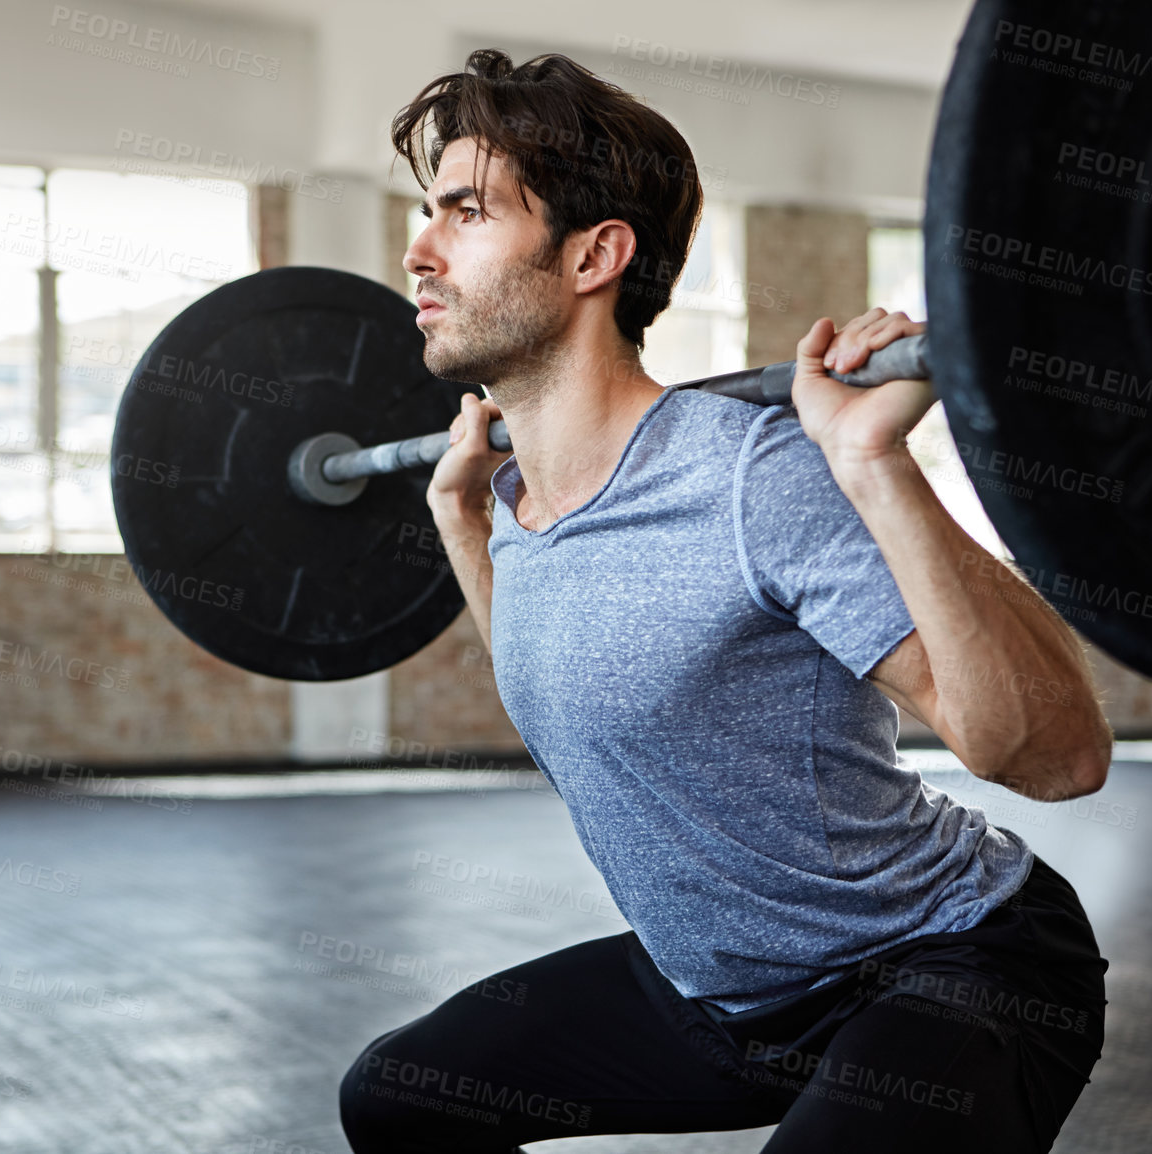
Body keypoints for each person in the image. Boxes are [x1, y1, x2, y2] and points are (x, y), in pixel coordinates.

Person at [339, 48, 1113, 1153]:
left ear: (594, 254)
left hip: (946, 960)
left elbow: (1057, 758)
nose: (417, 250)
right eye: (426, 211)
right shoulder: (517, 492)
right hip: (724, 993)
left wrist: (873, 467)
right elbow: (580, 710)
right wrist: (464, 524)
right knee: (400, 1095)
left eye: (464, 212)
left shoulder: (753, 480)